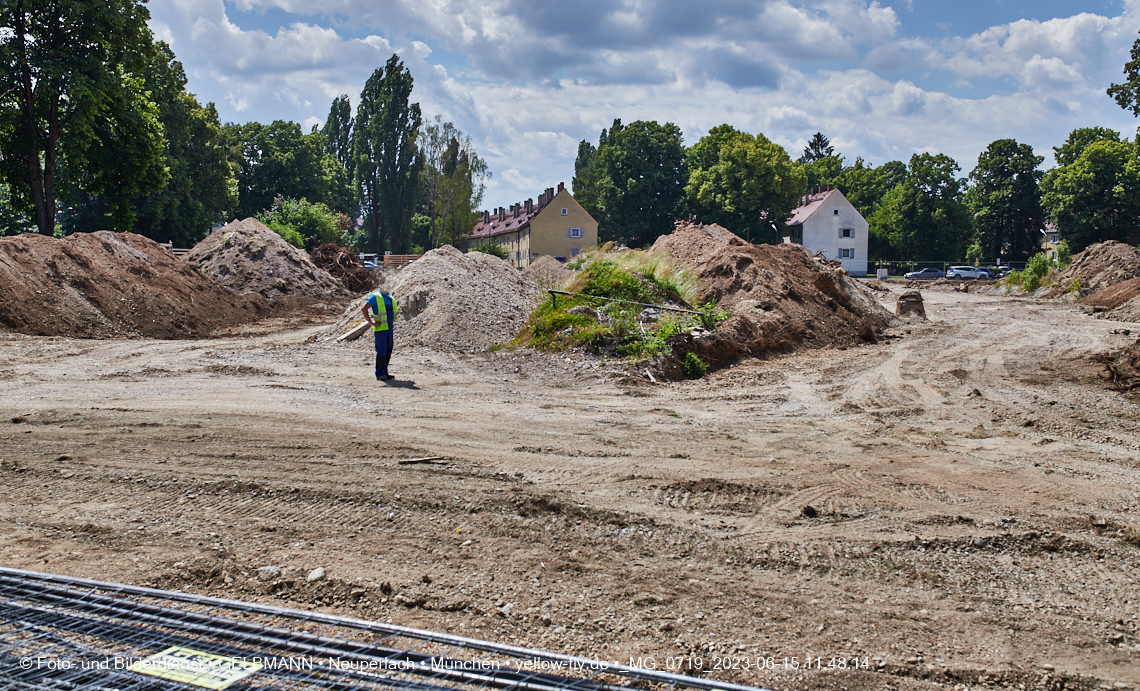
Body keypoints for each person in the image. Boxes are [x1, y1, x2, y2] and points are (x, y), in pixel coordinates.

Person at [362, 288, 399, 380]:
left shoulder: (390, 298)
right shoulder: (376, 296)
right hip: (380, 329)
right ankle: (380, 373)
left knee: (388, 350)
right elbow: (364, 308)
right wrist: (371, 322)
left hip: (389, 329)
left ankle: (385, 372)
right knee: (381, 351)